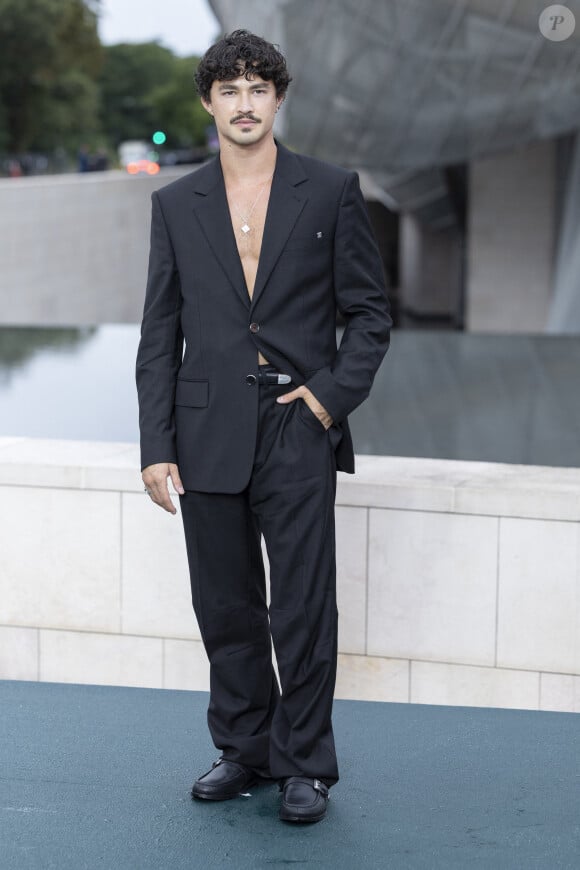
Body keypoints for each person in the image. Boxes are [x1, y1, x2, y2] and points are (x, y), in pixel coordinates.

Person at [136, 29, 391, 824]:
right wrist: (156, 446)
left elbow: (371, 316)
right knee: (226, 605)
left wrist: (325, 401)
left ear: (278, 99)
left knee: (303, 606)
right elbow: (159, 332)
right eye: (229, 90)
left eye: (258, 89)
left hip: (296, 425)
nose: (244, 105)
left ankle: (307, 762)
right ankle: (244, 750)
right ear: (209, 102)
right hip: (205, 428)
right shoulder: (176, 203)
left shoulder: (331, 189)